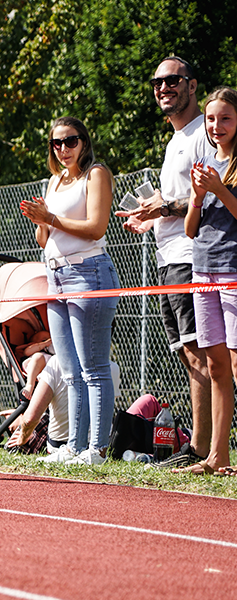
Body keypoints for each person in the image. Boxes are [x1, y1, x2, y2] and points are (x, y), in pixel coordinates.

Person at [115, 56, 213, 469]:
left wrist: (164, 207)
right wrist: (149, 217)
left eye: (172, 80)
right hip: (168, 256)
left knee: (204, 354)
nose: (163, 87)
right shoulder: (174, 140)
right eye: (157, 81)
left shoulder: (202, 135)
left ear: (192, 85)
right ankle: (200, 445)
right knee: (187, 354)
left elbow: (209, 196)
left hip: (193, 256)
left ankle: (205, 447)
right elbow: (174, 206)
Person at [19, 117, 119, 466]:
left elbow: (95, 228)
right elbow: (44, 238)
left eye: (70, 141)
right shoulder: (54, 180)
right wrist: (41, 221)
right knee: (69, 369)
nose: (63, 149)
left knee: (94, 367)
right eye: (56, 143)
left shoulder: (96, 174)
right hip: (56, 275)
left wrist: (51, 218)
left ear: (84, 142)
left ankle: (97, 449)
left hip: (89, 272)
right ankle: (74, 447)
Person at [180, 87, 237, 477]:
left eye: (226, 118)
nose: (217, 126)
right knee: (217, 367)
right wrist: (199, 196)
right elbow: (189, 229)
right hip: (203, 271)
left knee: (236, 363)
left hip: (234, 270)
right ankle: (218, 456)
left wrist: (219, 189)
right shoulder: (203, 162)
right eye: (211, 119)